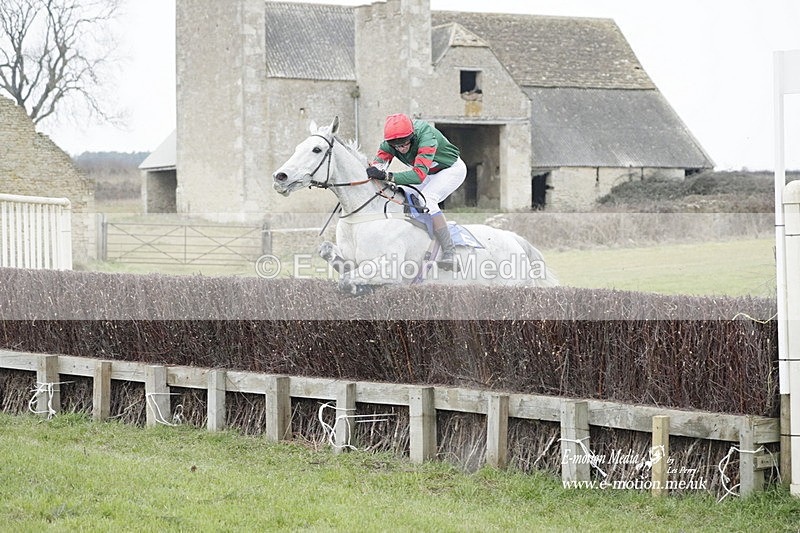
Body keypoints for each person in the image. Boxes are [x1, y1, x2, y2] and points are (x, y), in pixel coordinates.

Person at [365, 113, 466, 271]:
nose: (401, 148)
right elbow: (377, 168)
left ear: (412, 136)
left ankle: (450, 252)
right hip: (428, 172)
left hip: (450, 170)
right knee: (399, 194)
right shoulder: (387, 145)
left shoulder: (426, 136)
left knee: (428, 200)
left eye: (405, 143)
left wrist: (387, 175)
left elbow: (418, 176)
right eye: (395, 145)